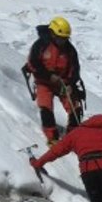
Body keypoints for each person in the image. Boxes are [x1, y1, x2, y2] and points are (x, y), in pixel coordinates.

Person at [23, 16, 85, 145]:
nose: (63, 41)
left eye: (65, 38)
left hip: (63, 83)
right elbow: (33, 63)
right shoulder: (41, 45)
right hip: (44, 82)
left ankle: (72, 137)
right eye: (60, 38)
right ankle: (52, 138)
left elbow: (74, 69)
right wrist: (49, 76)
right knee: (46, 107)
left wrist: (71, 85)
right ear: (52, 33)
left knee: (75, 108)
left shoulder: (70, 50)